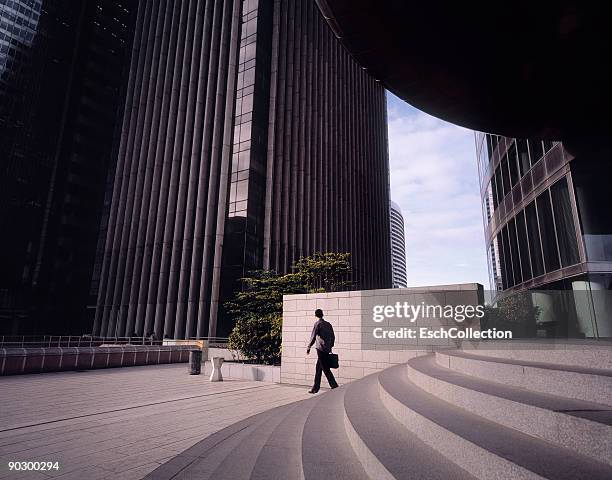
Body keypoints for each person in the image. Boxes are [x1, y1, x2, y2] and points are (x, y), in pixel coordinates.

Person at [306, 309, 338, 393]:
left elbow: (313, 336)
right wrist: (330, 346)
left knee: (325, 368)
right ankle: (315, 388)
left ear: (316, 315)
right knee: (318, 368)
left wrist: (309, 347)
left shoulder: (317, 324)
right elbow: (333, 336)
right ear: (322, 314)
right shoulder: (328, 324)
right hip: (327, 349)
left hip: (320, 349)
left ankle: (334, 386)